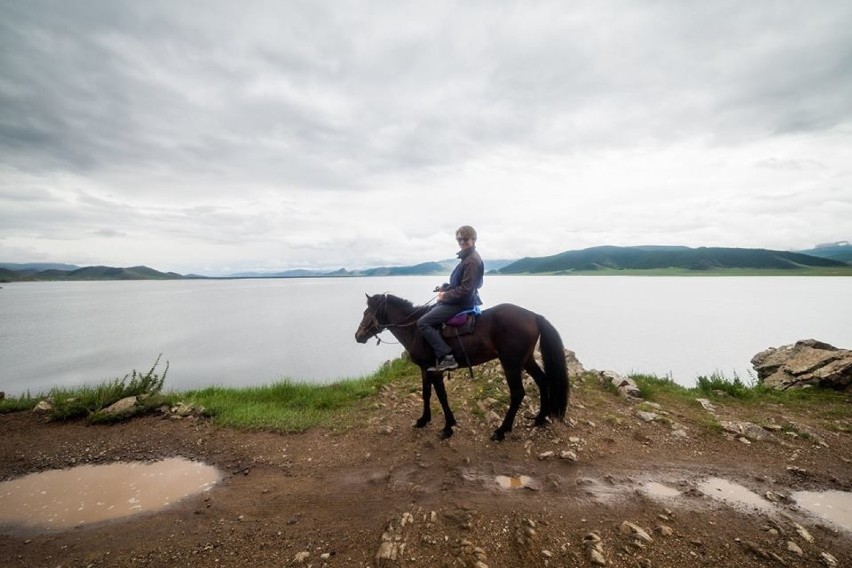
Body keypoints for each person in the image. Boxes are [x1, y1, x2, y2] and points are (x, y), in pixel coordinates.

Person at [417, 225, 484, 372]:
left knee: (423, 322)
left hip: (460, 304)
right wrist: (446, 287)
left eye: (465, 239)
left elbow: (466, 290)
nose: (461, 242)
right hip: (460, 300)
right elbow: (462, 283)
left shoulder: (471, 260)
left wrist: (445, 295)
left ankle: (447, 357)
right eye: (459, 239)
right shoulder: (467, 257)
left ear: (473, 239)